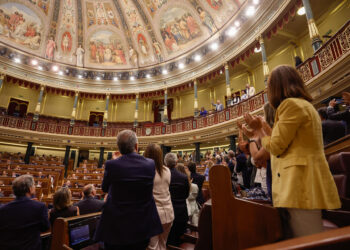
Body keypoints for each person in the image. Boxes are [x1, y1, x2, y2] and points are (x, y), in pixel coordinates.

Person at [243, 65, 341, 238]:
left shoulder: (290, 105)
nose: (267, 91)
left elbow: (276, 148)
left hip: (298, 184)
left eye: (268, 86)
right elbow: (283, 141)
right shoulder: (302, 105)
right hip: (302, 182)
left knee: (306, 240)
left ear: (276, 87)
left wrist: (259, 131)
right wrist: (262, 128)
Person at [95, 130, 162, 249]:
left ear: (119, 148)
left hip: (116, 228)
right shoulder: (150, 164)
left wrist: (116, 161)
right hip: (142, 225)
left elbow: (105, 188)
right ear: (136, 146)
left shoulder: (111, 165)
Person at [0, 175, 50, 249]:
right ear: (30, 189)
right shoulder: (39, 207)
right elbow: (45, 228)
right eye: (34, 185)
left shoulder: (3, 209)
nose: (35, 187)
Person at [144, 144, 174, 250]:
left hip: (155, 215)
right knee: (162, 244)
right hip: (169, 214)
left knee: (153, 247)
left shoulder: (146, 171)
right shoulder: (167, 170)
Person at [165, 153, 190, 246]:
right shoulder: (183, 177)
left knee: (168, 240)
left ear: (165, 163)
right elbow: (186, 195)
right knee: (179, 240)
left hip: (167, 212)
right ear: (176, 162)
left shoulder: (163, 177)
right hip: (181, 212)